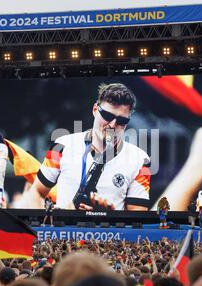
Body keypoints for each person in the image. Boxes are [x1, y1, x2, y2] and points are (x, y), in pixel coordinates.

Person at [25, 83, 151, 211]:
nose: (113, 125)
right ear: (95, 110)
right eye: (107, 116)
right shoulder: (61, 145)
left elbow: (137, 217)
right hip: (65, 230)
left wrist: (108, 215)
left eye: (122, 121)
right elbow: (36, 192)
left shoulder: (140, 160)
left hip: (109, 231)